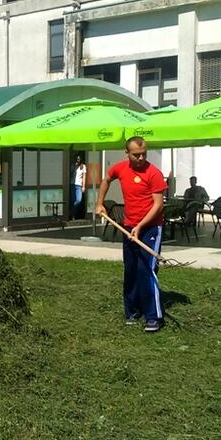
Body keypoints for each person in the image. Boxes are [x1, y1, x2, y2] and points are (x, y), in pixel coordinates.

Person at [95, 137, 167, 333]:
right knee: (131, 270)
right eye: (136, 154)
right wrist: (100, 203)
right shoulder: (120, 168)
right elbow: (106, 179)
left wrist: (141, 225)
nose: (141, 158)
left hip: (151, 228)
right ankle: (132, 312)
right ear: (126, 153)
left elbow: (158, 205)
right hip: (128, 227)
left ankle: (154, 317)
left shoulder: (154, 173)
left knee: (147, 270)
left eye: (144, 153)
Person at [71, 153, 86, 219]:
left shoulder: (83, 166)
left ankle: (72, 212)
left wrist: (83, 186)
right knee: (72, 200)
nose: (78, 160)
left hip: (78, 185)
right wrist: (74, 167)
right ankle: (73, 215)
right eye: (77, 158)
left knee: (78, 200)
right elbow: (70, 174)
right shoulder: (73, 165)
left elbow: (84, 177)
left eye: (79, 159)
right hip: (72, 184)